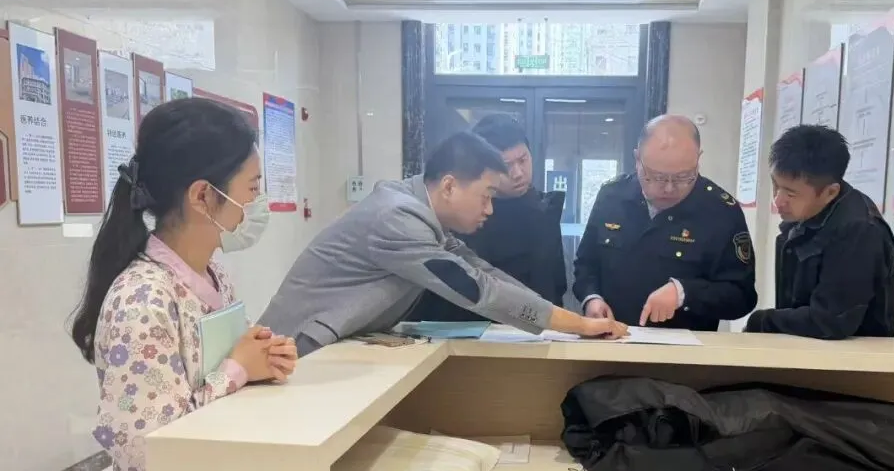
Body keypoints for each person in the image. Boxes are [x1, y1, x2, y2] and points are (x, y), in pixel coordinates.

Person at [68, 98, 298, 471]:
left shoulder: (210, 274)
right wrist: (237, 370)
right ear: (203, 196)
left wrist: (260, 357)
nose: (257, 204)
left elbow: (211, 368)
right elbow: (145, 446)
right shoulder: (142, 298)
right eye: (250, 188)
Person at [259, 131, 627, 354]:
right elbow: (477, 289)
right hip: (292, 349)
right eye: (486, 195)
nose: (489, 209)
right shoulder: (397, 218)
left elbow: (481, 270)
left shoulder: (423, 214)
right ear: (449, 186)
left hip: (319, 346)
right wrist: (577, 326)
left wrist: (561, 316)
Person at [573, 114, 757, 330]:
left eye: (683, 177)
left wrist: (684, 293)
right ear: (637, 159)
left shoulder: (720, 210)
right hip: (611, 339)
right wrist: (592, 299)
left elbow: (742, 296)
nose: (669, 188)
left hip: (683, 347)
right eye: (657, 177)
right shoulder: (611, 196)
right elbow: (586, 265)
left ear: (698, 159)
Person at [744, 124, 894, 339]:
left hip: (847, 357)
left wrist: (762, 321)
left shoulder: (860, 230)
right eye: (775, 185)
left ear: (830, 192)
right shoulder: (805, 214)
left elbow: (829, 321)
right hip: (806, 349)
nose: (778, 200)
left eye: (790, 193)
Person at [409, 114, 566, 321]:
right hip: (466, 328)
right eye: (507, 165)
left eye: (523, 160)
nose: (518, 173)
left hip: (537, 327)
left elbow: (556, 283)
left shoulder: (545, 209)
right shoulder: (457, 212)